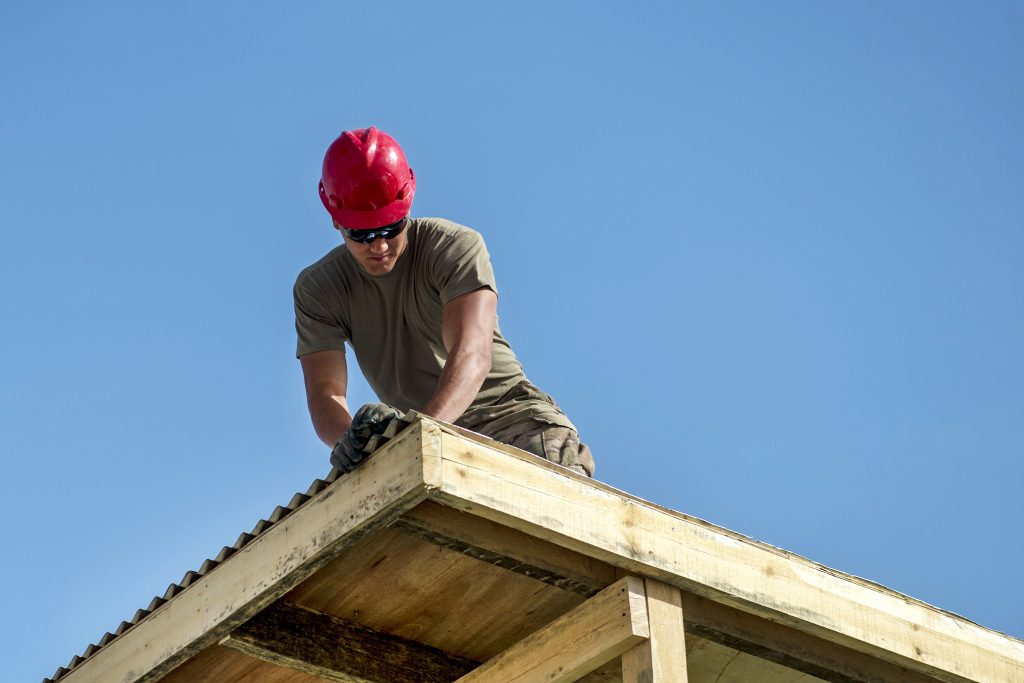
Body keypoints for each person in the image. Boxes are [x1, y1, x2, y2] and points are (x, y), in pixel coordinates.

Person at [293, 126, 595, 478]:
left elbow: (471, 352)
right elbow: (325, 392)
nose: (379, 246)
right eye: (361, 234)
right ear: (335, 219)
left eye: (391, 228)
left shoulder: (452, 248)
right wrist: (350, 443)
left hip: (512, 425)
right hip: (428, 448)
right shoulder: (319, 289)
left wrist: (420, 434)